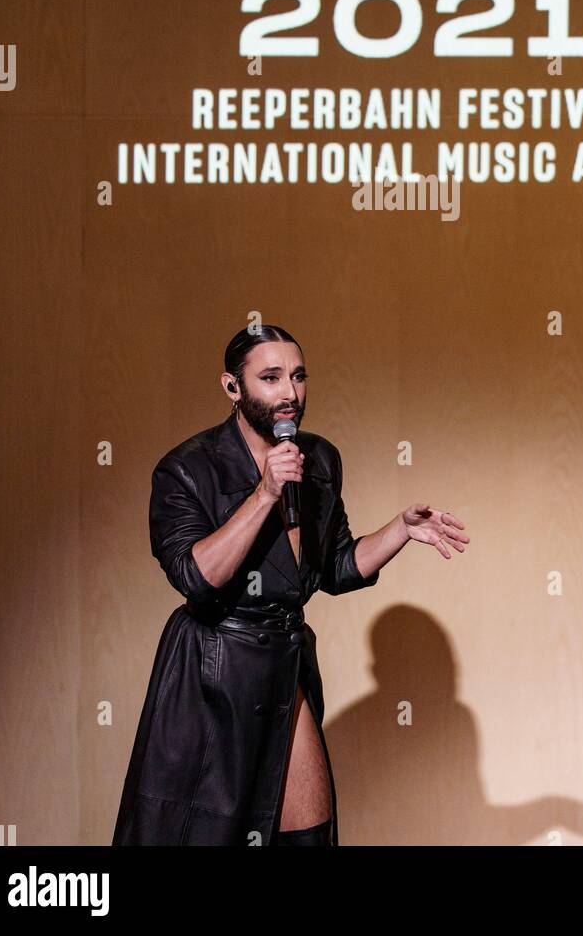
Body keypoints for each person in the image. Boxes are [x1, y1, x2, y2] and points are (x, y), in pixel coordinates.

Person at [111, 323, 469, 846]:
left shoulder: (320, 459)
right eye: (271, 378)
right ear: (233, 387)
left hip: (284, 660)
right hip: (211, 669)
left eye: (298, 377)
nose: (289, 395)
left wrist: (400, 530)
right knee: (203, 834)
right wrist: (264, 493)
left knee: (307, 834)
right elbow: (196, 578)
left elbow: (335, 570)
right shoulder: (187, 468)